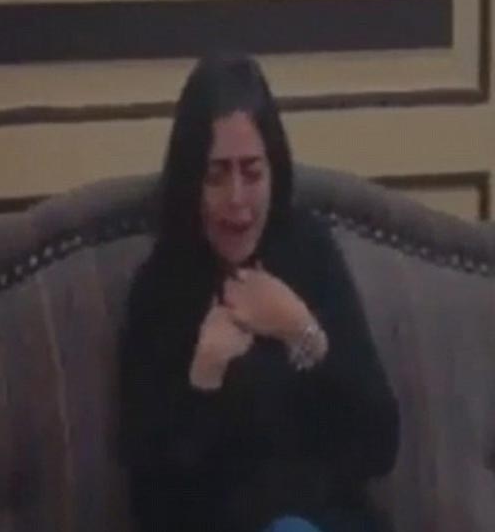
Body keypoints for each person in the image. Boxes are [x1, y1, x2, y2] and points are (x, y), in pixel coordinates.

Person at [119, 54, 399, 532]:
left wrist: (303, 331)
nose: (237, 200)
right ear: (190, 182)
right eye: (216, 175)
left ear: (275, 171)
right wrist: (205, 376)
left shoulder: (309, 252)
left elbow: (380, 446)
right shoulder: (160, 288)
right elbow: (152, 509)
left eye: (251, 173)